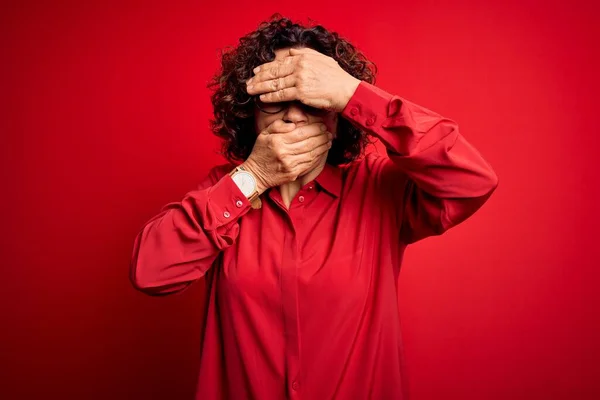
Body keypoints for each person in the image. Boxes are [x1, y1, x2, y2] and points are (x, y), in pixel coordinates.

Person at [129, 15, 498, 400]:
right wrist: (252, 176)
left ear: (338, 117)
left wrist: (355, 95)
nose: (293, 115)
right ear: (250, 115)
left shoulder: (378, 189)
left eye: (312, 99)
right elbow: (150, 272)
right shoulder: (225, 191)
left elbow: (471, 181)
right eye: (275, 99)